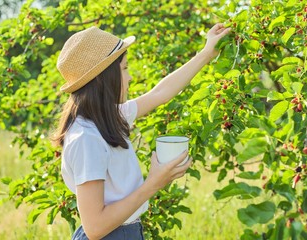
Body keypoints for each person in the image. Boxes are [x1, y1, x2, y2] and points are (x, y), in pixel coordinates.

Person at [53, 23, 231, 240]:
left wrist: (206, 54)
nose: (129, 78)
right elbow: (95, 227)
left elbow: (161, 93)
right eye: (124, 69)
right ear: (104, 78)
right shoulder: (86, 138)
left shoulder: (107, 118)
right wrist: (154, 183)